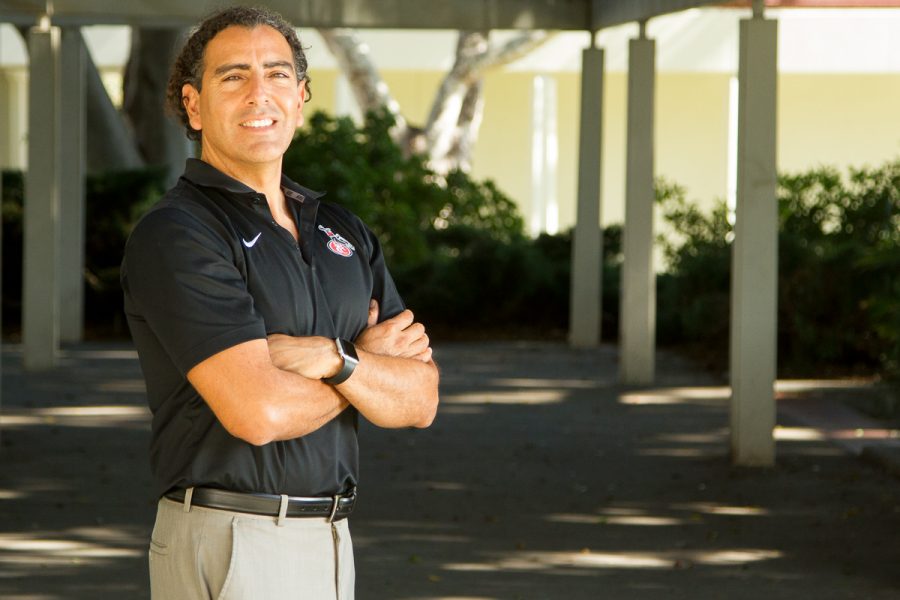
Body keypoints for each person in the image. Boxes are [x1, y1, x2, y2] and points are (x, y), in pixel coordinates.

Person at [120, 6, 439, 599]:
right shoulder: (180, 234)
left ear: (301, 96)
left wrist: (334, 358)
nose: (258, 94)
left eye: (278, 74)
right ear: (193, 104)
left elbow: (420, 399)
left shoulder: (343, 231)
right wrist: (367, 368)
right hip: (237, 534)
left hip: (332, 536)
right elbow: (257, 412)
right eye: (233, 76)